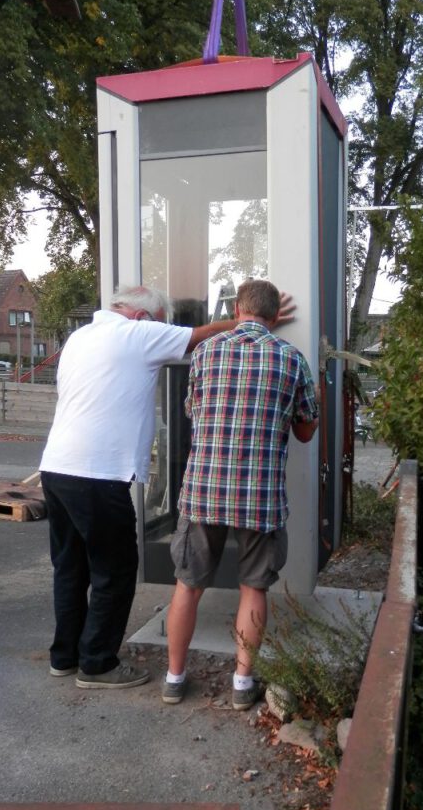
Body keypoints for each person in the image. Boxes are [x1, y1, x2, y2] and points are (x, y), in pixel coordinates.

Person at [39, 285, 293, 690]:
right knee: (115, 569)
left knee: (70, 567)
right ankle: (98, 663)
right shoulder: (136, 334)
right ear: (142, 318)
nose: (162, 331)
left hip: (55, 467)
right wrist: (253, 321)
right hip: (99, 473)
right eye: (160, 322)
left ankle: (64, 656)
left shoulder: (80, 336)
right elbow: (200, 334)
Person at [162, 278, 319, 711]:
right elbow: (305, 432)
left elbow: (194, 412)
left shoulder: (206, 352)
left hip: (204, 490)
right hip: (260, 495)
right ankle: (240, 684)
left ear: (237, 311)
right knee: (253, 588)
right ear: (274, 317)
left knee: (188, 585)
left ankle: (174, 678)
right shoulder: (291, 359)